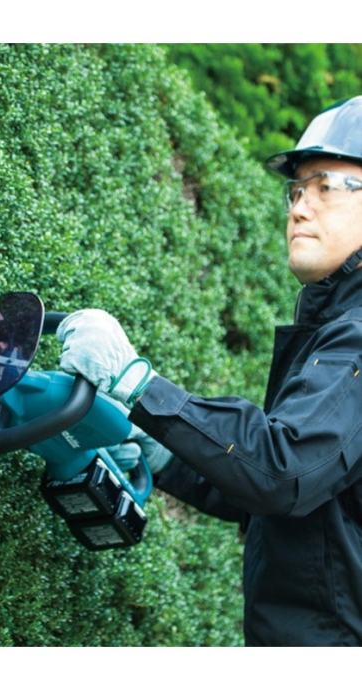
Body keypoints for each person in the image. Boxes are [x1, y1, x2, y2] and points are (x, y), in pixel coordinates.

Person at [55, 96, 362, 646]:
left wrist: (137, 385)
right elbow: (295, 505)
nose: (299, 207)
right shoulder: (335, 327)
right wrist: (161, 453)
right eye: (297, 190)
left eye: (326, 187)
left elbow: (282, 472)